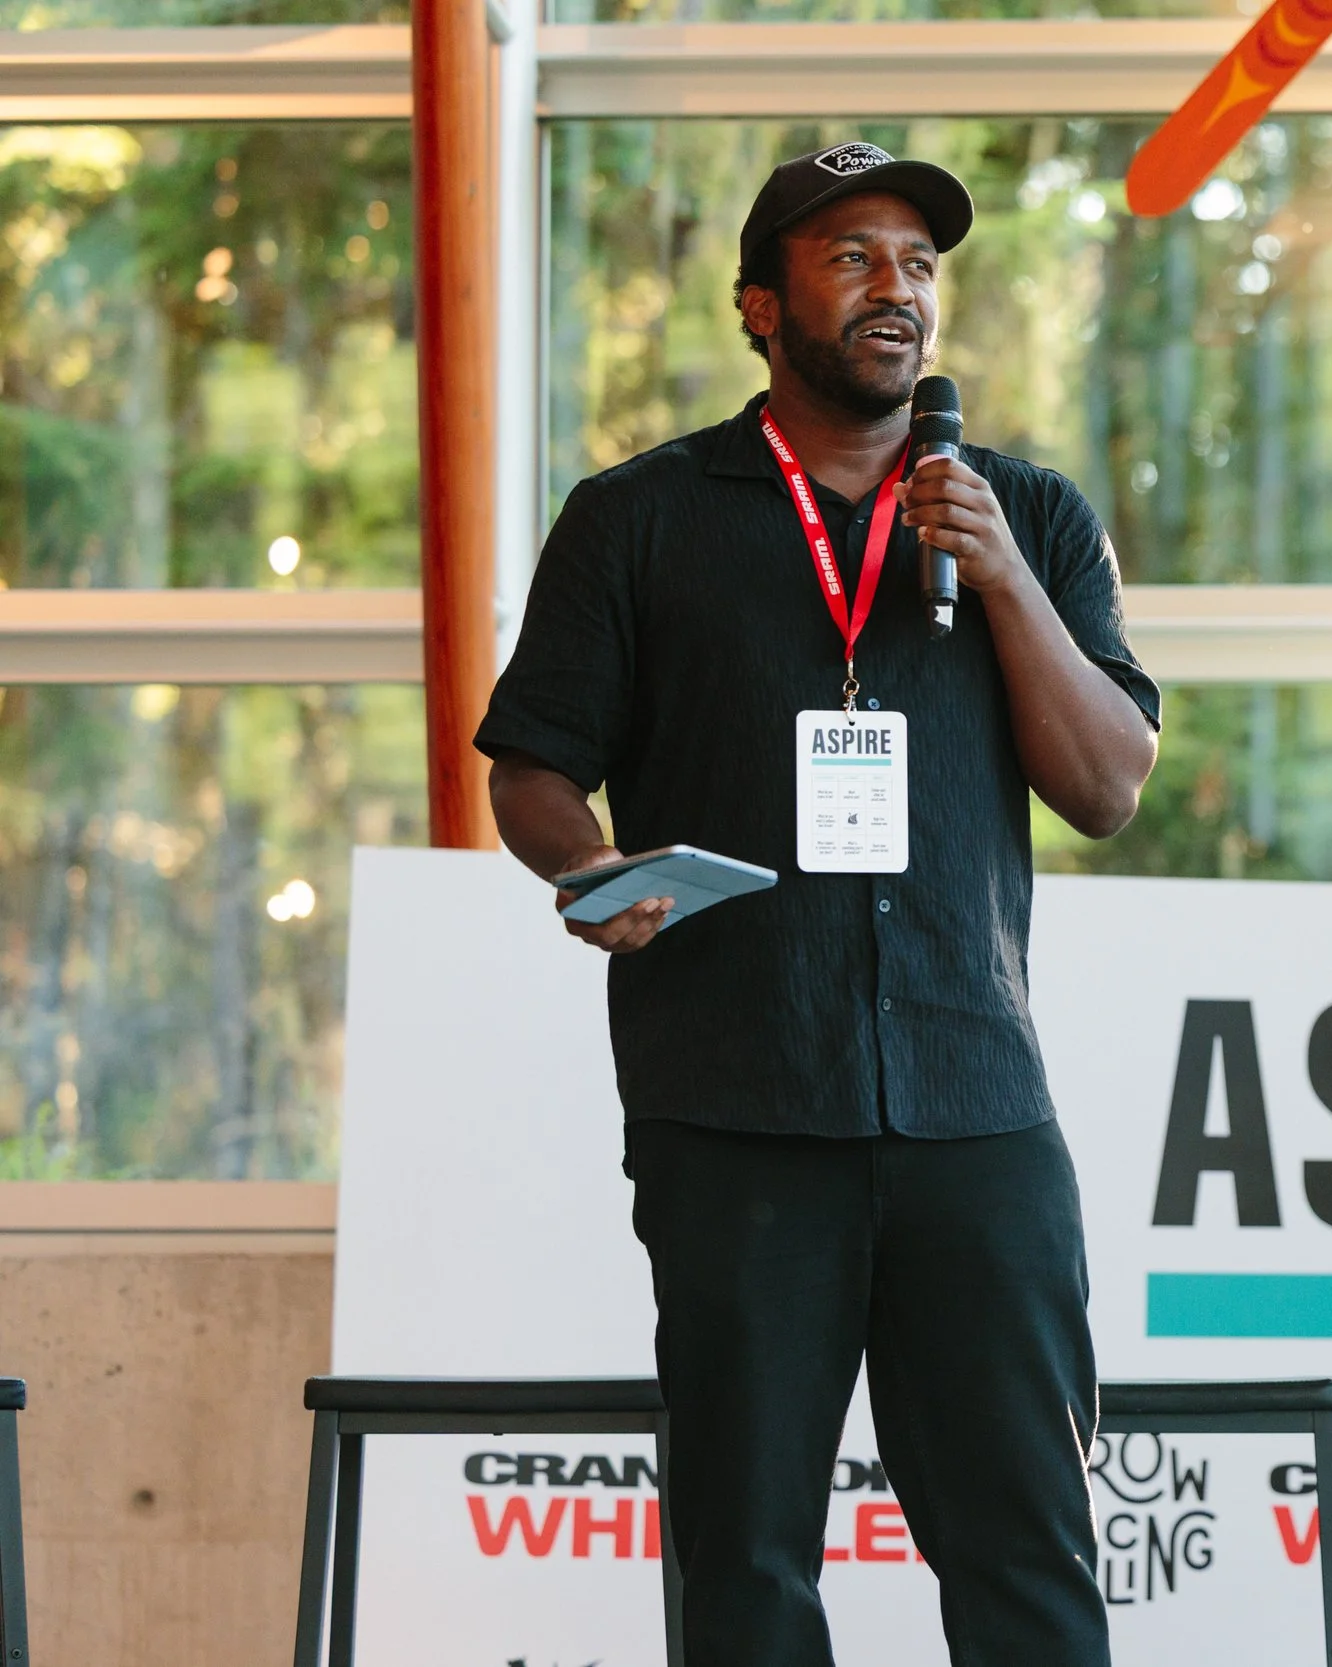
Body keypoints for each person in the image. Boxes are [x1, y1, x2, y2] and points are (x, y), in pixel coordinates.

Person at [473, 142, 1159, 1667]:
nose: (895, 288)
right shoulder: (637, 516)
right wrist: (584, 870)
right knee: (746, 1556)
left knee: (1027, 1543)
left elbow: (1108, 784)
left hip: (975, 1109)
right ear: (759, 307)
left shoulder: (1025, 516)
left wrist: (1000, 580)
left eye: (918, 262)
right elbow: (530, 770)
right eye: (852, 256)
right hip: (736, 1103)